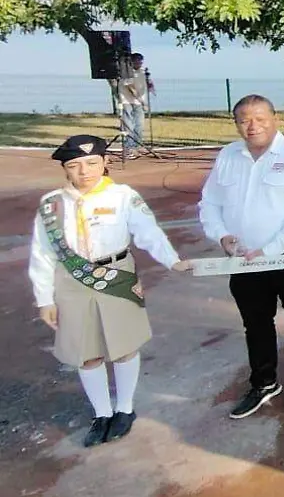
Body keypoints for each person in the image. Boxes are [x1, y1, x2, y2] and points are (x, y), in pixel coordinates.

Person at [28, 135, 190, 447]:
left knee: (124, 346)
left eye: (92, 163)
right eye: (74, 166)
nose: (84, 171)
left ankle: (125, 409)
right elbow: (42, 253)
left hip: (117, 276)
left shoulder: (123, 196)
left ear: (105, 163)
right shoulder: (51, 205)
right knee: (86, 353)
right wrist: (44, 299)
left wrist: (172, 261)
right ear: (65, 169)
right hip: (71, 282)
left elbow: (148, 233)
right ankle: (101, 413)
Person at [198, 94, 284, 419]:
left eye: (259, 118)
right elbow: (209, 202)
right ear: (236, 123)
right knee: (255, 322)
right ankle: (264, 381)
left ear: (275, 119)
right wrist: (221, 234)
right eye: (244, 119)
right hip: (243, 258)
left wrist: (268, 250)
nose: (252, 126)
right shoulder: (228, 155)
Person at [117, 53, 153, 154]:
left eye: (140, 61)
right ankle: (129, 147)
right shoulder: (126, 72)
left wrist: (150, 85)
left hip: (139, 102)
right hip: (127, 101)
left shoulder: (142, 72)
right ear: (132, 62)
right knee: (128, 124)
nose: (139, 63)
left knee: (139, 124)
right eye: (137, 61)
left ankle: (138, 145)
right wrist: (143, 102)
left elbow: (147, 85)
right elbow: (131, 88)